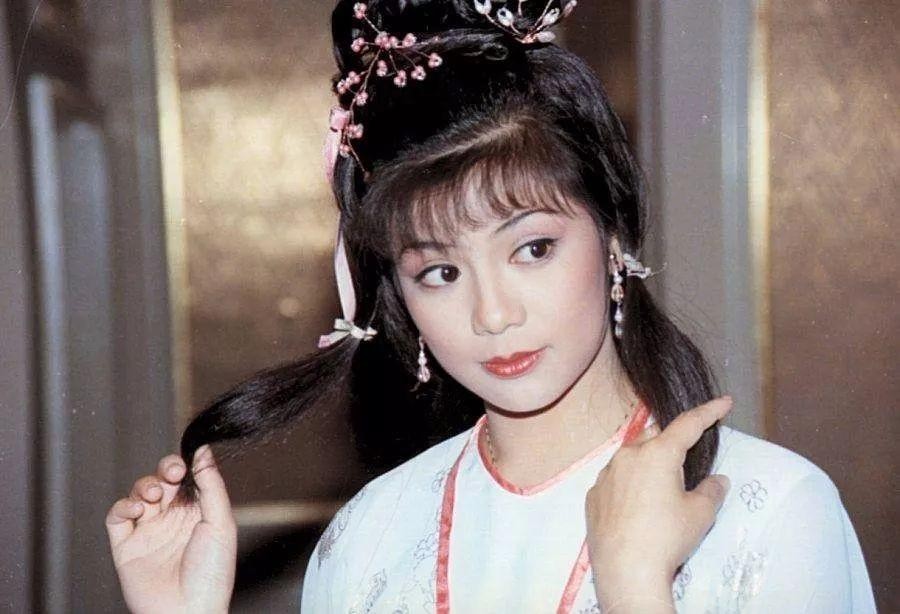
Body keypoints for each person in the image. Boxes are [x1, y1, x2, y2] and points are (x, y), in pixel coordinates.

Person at [105, 1, 877, 612]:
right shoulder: (368, 538)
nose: (493, 315)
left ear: (612, 235)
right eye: (440, 272)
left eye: (533, 248)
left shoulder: (771, 512)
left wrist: (638, 588)